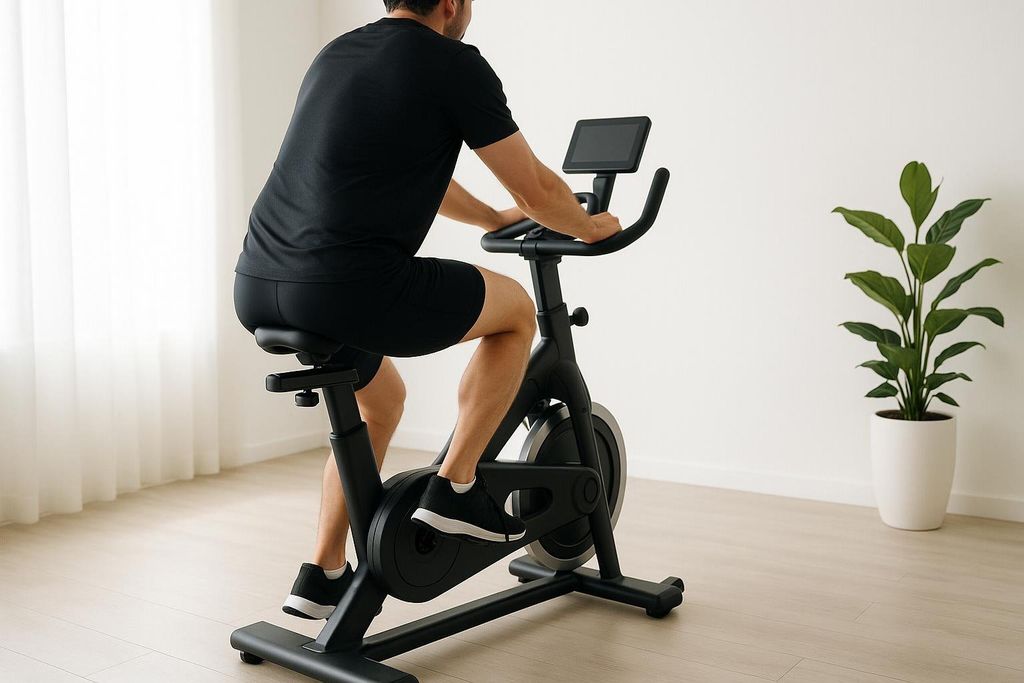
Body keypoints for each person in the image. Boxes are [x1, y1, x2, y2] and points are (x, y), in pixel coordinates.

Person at [232, 0, 622, 620]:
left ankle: (323, 570)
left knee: (381, 402)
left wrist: (493, 220)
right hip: (349, 286)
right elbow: (537, 189)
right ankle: (457, 486)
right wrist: (592, 226)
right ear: (452, 4)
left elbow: (407, 170)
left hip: (259, 283)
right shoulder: (452, 63)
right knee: (517, 310)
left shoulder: (337, 55)